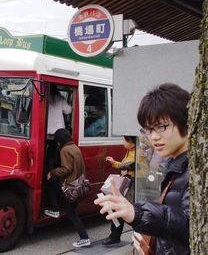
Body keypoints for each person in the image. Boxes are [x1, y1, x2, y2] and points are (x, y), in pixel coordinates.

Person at [94, 83, 190, 254]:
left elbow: (192, 226)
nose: (154, 136)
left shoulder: (195, 170)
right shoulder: (174, 164)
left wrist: (138, 214)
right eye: (148, 129)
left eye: (161, 126)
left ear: (185, 121)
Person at [44, 128, 91, 248]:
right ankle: (56, 210)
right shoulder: (75, 147)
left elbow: (66, 169)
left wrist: (52, 172)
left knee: (50, 184)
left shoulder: (64, 149)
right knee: (71, 211)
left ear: (59, 140)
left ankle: (84, 238)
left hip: (71, 186)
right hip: (79, 184)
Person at [102, 135, 136, 246]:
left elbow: (142, 169)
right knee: (117, 210)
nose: (122, 142)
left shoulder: (138, 153)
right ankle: (114, 236)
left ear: (131, 141)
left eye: (124, 140)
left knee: (131, 212)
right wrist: (114, 162)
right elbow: (123, 166)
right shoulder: (129, 151)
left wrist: (130, 171)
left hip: (132, 186)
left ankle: (136, 236)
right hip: (126, 183)